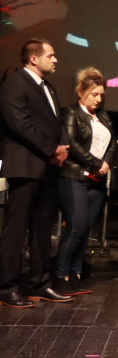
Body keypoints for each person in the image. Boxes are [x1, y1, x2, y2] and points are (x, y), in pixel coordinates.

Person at [0, 39, 70, 308]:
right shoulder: (14, 83)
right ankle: (7, 287)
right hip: (26, 166)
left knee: (42, 229)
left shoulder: (47, 87)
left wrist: (61, 146)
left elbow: (57, 122)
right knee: (16, 230)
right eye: (50, 56)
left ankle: (40, 283)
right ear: (33, 59)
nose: (55, 60)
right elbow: (20, 125)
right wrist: (52, 149)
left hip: (47, 167)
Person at [53, 68, 115, 296]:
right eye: (94, 95)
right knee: (76, 227)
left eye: (101, 95)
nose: (98, 99)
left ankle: (77, 273)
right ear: (81, 92)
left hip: (96, 180)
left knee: (86, 228)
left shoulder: (104, 116)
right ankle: (61, 275)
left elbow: (113, 143)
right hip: (74, 177)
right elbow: (71, 143)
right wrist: (97, 163)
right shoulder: (70, 113)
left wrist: (105, 164)